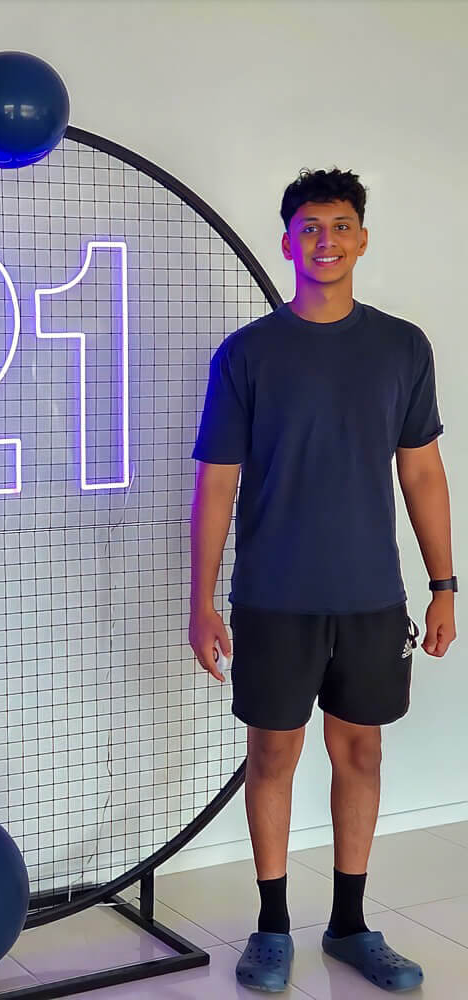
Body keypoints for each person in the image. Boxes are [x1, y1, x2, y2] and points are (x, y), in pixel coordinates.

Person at [189, 168, 456, 993]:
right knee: (271, 754)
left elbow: (422, 473)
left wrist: (446, 583)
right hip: (273, 596)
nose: (326, 241)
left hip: (373, 595)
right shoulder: (248, 354)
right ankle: (272, 930)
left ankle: (349, 925)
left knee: (362, 752)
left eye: (341, 226)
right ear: (288, 243)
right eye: (310, 228)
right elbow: (217, 483)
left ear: (362, 239)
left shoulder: (403, 346)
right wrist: (199, 600)